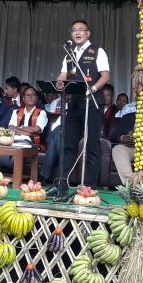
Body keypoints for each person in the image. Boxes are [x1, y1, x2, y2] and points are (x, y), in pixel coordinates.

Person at [54, 20, 110, 196]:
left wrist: (92, 88)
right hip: (75, 103)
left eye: (81, 30)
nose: (77, 33)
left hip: (93, 102)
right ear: (71, 34)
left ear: (88, 33)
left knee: (92, 144)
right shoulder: (68, 54)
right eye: (74, 30)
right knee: (68, 143)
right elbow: (63, 74)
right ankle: (62, 185)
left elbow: (105, 76)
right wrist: (59, 80)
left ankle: (90, 187)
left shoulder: (97, 51)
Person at [0, 85, 49, 171]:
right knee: (3, 147)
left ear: (36, 98)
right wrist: (27, 132)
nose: (30, 97)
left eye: (32, 95)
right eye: (27, 95)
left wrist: (19, 128)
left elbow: (36, 129)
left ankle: (10, 172)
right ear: (23, 98)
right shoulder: (16, 111)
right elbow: (11, 128)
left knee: (19, 149)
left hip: (29, 141)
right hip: (13, 139)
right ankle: (8, 171)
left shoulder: (41, 113)